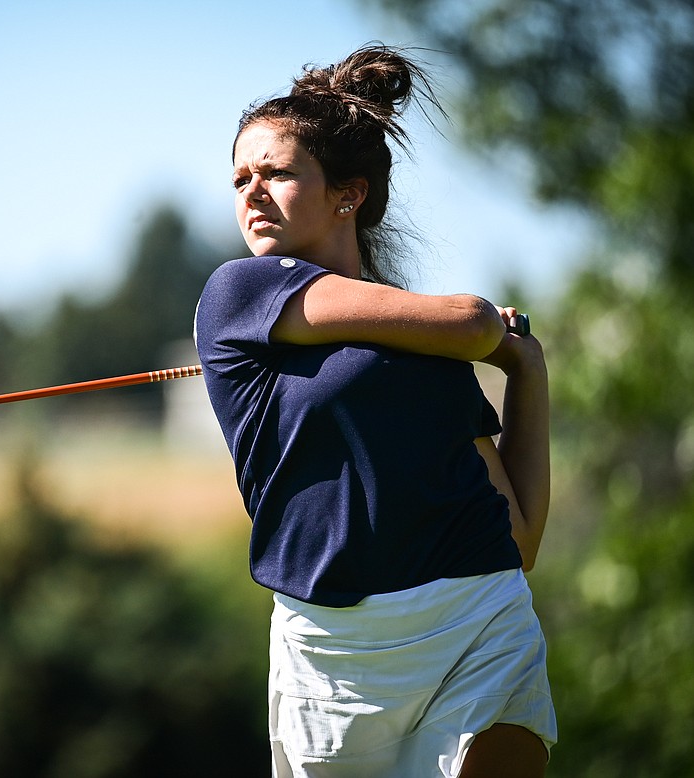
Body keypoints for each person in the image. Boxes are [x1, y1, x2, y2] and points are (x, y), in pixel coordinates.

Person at [193, 44, 556, 777]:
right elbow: (473, 324)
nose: (252, 192)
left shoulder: (419, 344)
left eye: (277, 172)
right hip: (334, 653)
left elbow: (518, 540)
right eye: (240, 177)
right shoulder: (239, 294)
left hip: (478, 617)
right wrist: (490, 331)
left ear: (347, 195)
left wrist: (530, 374)